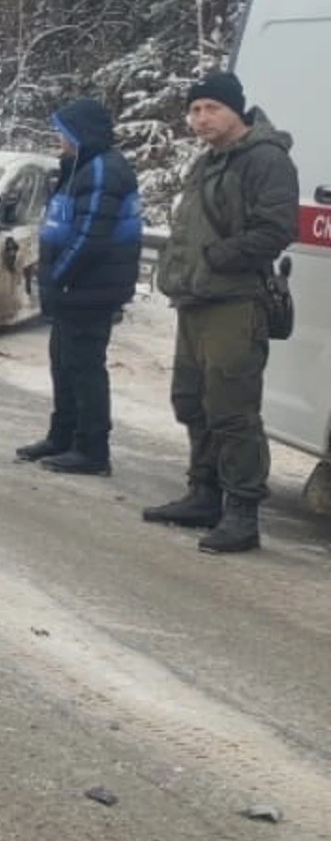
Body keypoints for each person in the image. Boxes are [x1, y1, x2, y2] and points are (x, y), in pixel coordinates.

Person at [143, 72, 300, 554]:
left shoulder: (265, 160)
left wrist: (214, 259)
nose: (200, 118)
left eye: (211, 108)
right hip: (196, 299)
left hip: (233, 301)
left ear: (236, 110)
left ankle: (242, 513)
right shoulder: (208, 161)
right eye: (194, 110)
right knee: (192, 400)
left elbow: (275, 230)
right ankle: (204, 494)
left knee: (232, 409)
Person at [16, 98, 143, 477]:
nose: (59, 137)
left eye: (64, 130)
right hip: (73, 288)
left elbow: (91, 236)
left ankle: (91, 449)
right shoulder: (78, 168)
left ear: (81, 133)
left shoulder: (103, 170)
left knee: (85, 367)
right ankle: (62, 435)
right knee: (63, 363)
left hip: (90, 289)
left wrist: (60, 276)